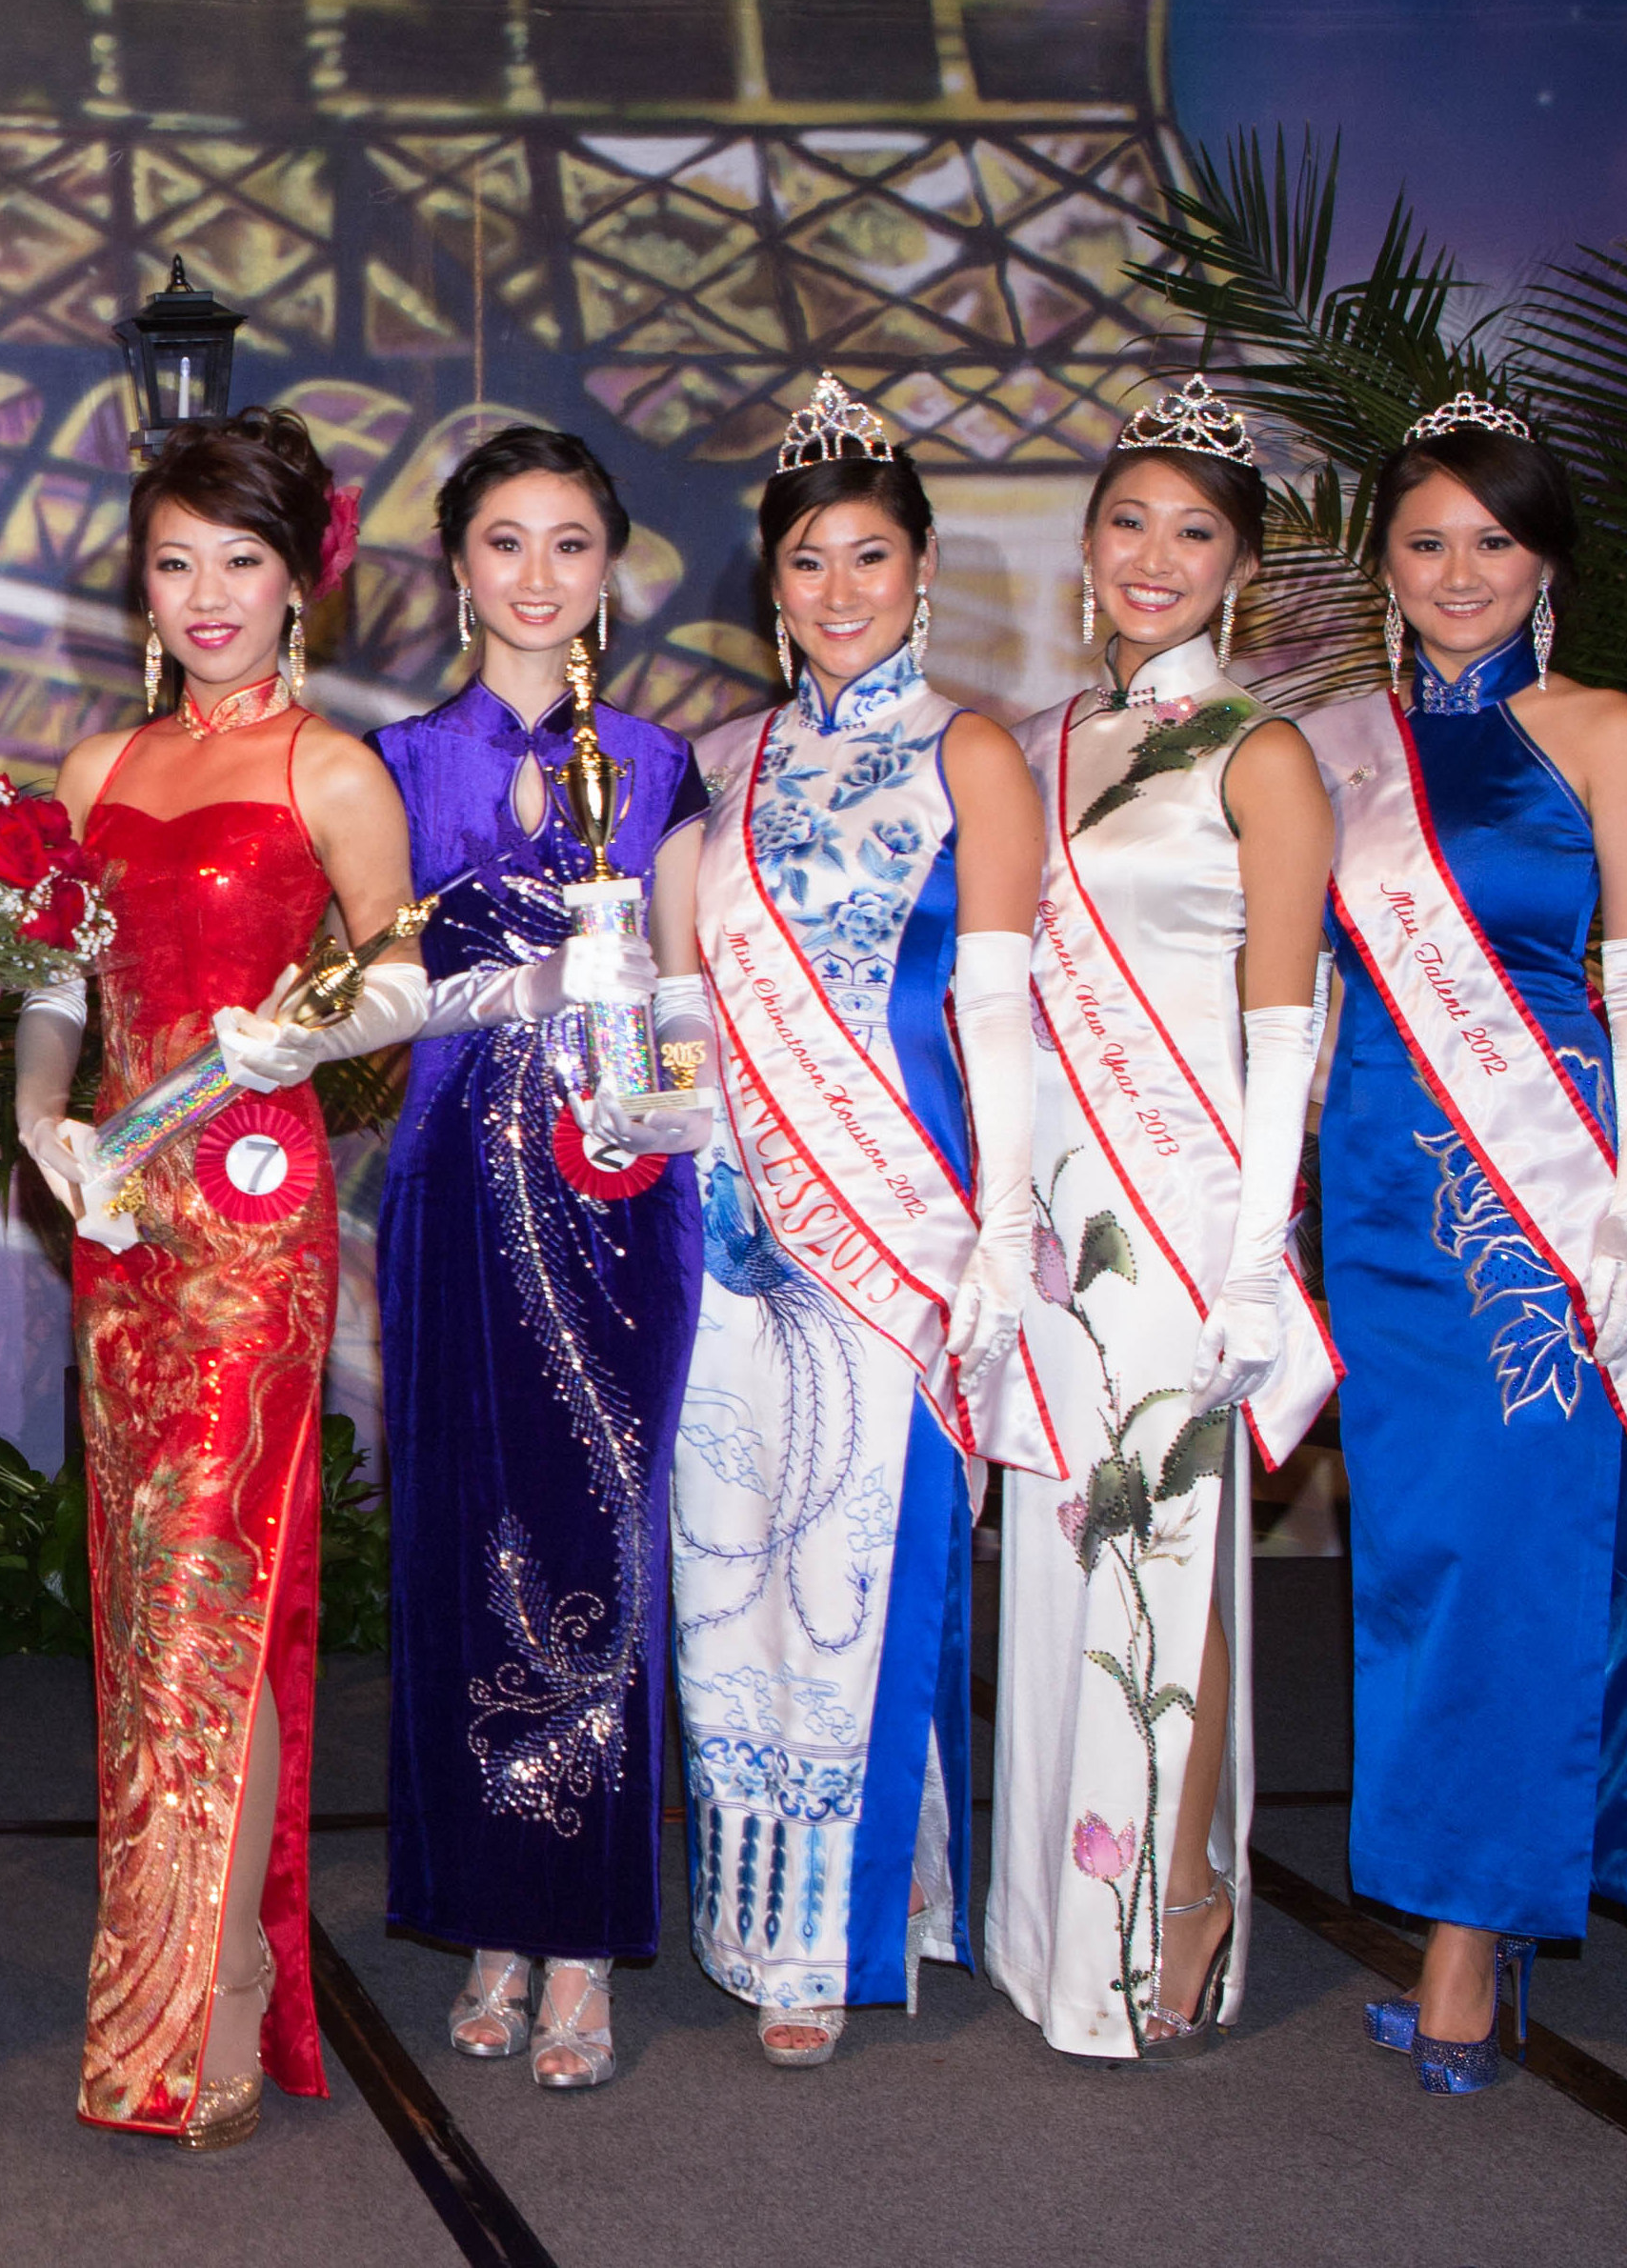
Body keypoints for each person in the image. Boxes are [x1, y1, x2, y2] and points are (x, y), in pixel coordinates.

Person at [10, 407, 408, 2147]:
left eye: (236, 561)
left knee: (211, 1596)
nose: (203, 597)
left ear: (297, 572)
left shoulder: (334, 767)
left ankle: (212, 2001)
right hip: (120, 1226)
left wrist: (301, 1032)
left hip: (253, 1226)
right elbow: (51, 985)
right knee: (133, 1607)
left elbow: (408, 977)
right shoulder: (94, 773)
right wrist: (40, 1119)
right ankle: (168, 1972)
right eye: (173, 565)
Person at [663, 374, 1044, 2070]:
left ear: (921, 566)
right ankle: (756, 1910)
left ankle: (843, 1929)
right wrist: (703, 1175)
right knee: (731, 1573)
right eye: (806, 563)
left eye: (867, 557)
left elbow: (1005, 1011)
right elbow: (687, 1024)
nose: (835, 592)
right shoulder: (718, 766)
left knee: (864, 1581)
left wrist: (1000, 1239)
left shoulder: (972, 749)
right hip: (739, 1226)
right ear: (770, 584)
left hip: (901, 1221)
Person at [1309, 394, 1627, 2096]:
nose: (1459, 573)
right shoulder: (1339, 742)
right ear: (1383, 565)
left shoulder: (1604, 730)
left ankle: (1468, 1944)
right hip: (1383, 1199)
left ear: (1545, 560)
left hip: (1538, 1199)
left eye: (1493, 540)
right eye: (1425, 543)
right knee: (1412, 1562)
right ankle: (1477, 1890)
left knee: (1515, 1550)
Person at [975, 383, 1336, 2060]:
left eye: (1193, 531)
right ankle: (1058, 1909)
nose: (1152, 556)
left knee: (1160, 1550)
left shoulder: (1260, 756)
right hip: (1052, 1210)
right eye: (1127, 522)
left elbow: (1285, 1024)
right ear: (1087, 545)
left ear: (1239, 569)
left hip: (1181, 1205)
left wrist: (1255, 1258)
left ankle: (1177, 1890)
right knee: (1061, 1553)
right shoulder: (1036, 743)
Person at [360, 423, 706, 2097]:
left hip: (619, 1189)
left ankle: (578, 1939)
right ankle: (488, 1915)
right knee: (455, 1539)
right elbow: (351, 1003)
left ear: (609, 571)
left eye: (571, 543)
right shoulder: (394, 762)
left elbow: (700, 1002)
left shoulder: (663, 765)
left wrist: (649, 1055)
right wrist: (505, 992)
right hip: (443, 1191)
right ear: (456, 566)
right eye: (506, 541)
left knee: (597, 1531)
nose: (537, 575)